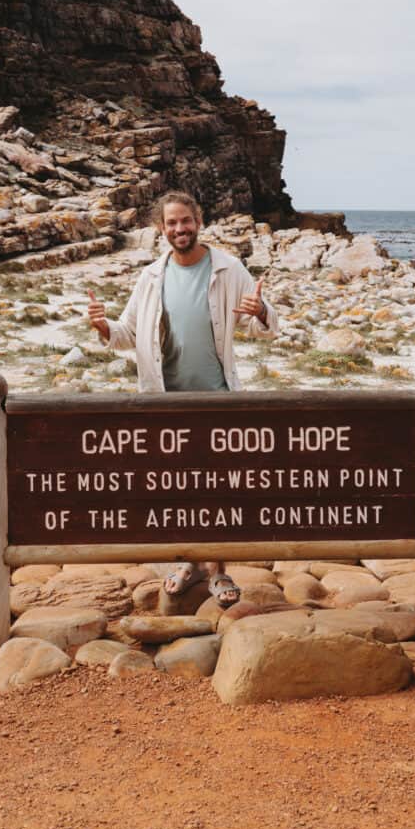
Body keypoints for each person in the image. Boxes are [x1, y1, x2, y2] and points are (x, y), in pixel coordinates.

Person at [86, 190, 278, 608]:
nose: (179, 229)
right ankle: (189, 562)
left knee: (217, 489)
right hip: (165, 402)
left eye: (185, 221)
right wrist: (103, 327)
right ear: (160, 229)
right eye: (171, 223)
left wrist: (261, 310)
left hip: (218, 399)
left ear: (198, 221)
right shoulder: (151, 276)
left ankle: (219, 570)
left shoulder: (228, 268)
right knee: (179, 488)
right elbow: (128, 336)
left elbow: (262, 326)